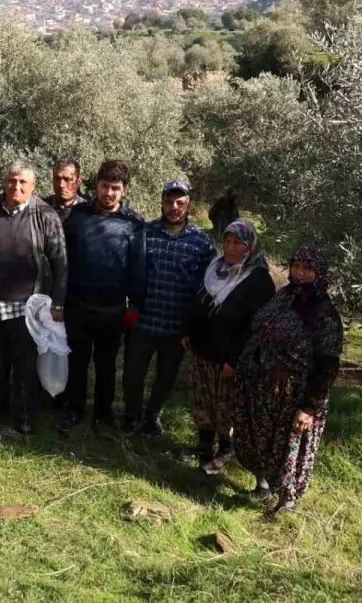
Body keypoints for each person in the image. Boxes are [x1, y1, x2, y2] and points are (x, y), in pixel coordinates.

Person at [234, 244, 342, 514]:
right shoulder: (283, 296)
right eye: (296, 266)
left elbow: (327, 365)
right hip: (262, 385)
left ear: (319, 273)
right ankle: (263, 487)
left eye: (308, 268)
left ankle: (287, 500)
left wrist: (309, 407)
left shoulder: (324, 314)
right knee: (259, 439)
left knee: (287, 449)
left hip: (293, 395)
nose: (301, 273)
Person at [0, 161, 67, 435]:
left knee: (25, 365)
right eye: (12, 181)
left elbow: (60, 261)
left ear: (33, 187)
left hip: (28, 307)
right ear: (4, 182)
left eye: (23, 182)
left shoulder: (45, 215)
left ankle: (24, 415)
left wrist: (58, 303)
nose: (16, 186)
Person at [121, 180, 216, 436]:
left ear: (188, 206)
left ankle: (152, 416)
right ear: (161, 203)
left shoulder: (201, 242)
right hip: (143, 320)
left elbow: (209, 284)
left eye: (180, 203)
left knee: (166, 376)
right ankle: (132, 415)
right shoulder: (145, 233)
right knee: (133, 372)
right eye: (169, 202)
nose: (174, 208)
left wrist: (196, 324)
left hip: (177, 325)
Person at [59, 159, 144, 435]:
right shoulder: (78, 215)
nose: (109, 193)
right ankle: (74, 408)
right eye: (105, 186)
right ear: (96, 185)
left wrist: (135, 306)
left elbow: (138, 267)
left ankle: (103, 415)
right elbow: (63, 259)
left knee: (106, 365)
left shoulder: (133, 223)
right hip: (78, 305)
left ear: (124, 191)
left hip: (113, 309)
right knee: (77, 360)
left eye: (115, 188)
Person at [183, 219, 275, 470]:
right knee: (203, 402)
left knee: (226, 408)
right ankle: (203, 446)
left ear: (250, 247)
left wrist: (234, 361)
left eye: (238, 243)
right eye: (227, 241)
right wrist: (188, 332)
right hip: (202, 350)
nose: (231, 247)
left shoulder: (258, 280)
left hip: (228, 359)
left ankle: (226, 450)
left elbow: (255, 329)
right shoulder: (215, 268)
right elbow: (199, 303)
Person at [43, 158, 88, 224]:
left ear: (78, 182)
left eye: (67, 179)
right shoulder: (41, 208)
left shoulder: (88, 210)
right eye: (57, 179)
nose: (61, 185)